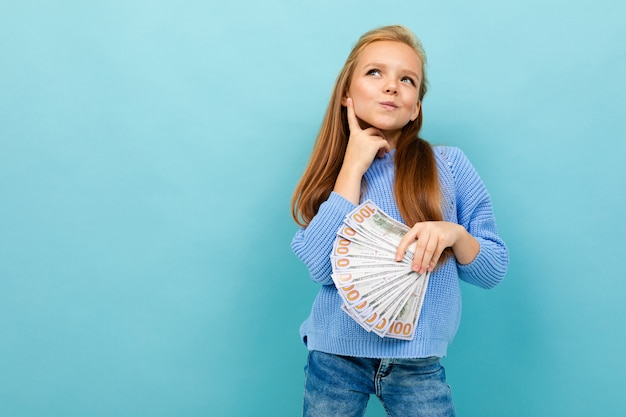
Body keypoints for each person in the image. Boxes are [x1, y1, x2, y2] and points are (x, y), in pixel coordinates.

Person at [290, 25, 509, 417]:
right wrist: (352, 168)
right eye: (375, 73)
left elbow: (492, 270)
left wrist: (454, 234)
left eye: (406, 80)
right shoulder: (334, 174)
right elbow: (322, 268)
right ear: (347, 94)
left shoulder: (450, 166)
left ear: (416, 107)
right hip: (335, 355)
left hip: (418, 362)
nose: (391, 86)